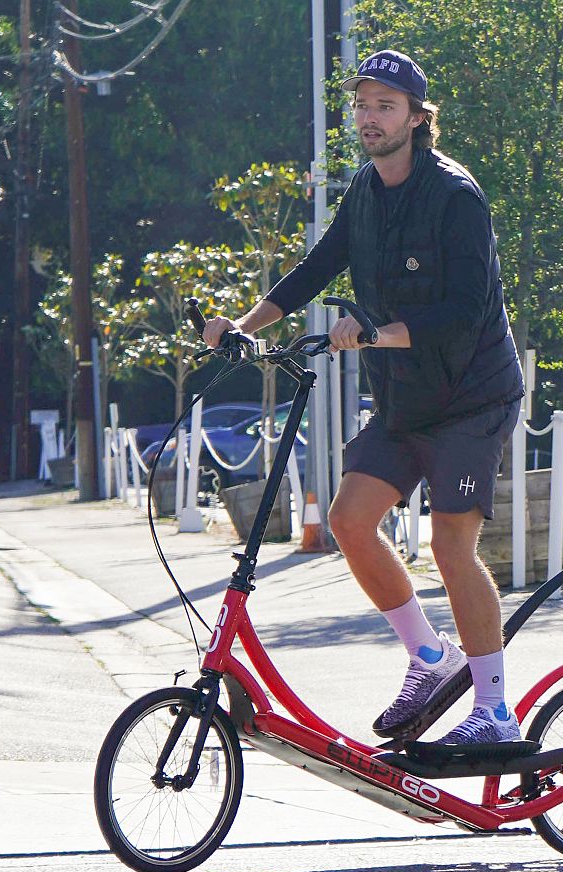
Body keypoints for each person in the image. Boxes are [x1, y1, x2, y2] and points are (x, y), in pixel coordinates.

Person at [202, 50, 524, 745]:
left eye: (385, 105)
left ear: (416, 117)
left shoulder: (455, 195)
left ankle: (496, 710)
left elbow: (465, 312)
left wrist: (377, 332)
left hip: (472, 397)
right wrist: (241, 327)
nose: (369, 116)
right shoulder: (366, 192)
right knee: (349, 519)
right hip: (407, 400)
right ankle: (431, 658)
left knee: (449, 545)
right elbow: (317, 268)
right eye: (362, 105)